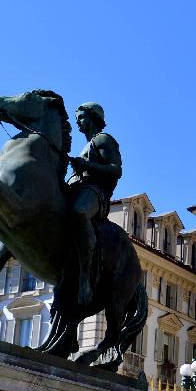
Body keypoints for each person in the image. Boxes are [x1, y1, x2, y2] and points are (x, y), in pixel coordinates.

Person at [68, 102, 122, 305]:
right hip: (77, 188)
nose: (78, 122)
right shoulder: (86, 144)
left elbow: (116, 169)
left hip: (95, 193)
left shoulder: (102, 139)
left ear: (93, 118)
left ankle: (85, 279)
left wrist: (86, 165)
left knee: (79, 212)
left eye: (81, 117)